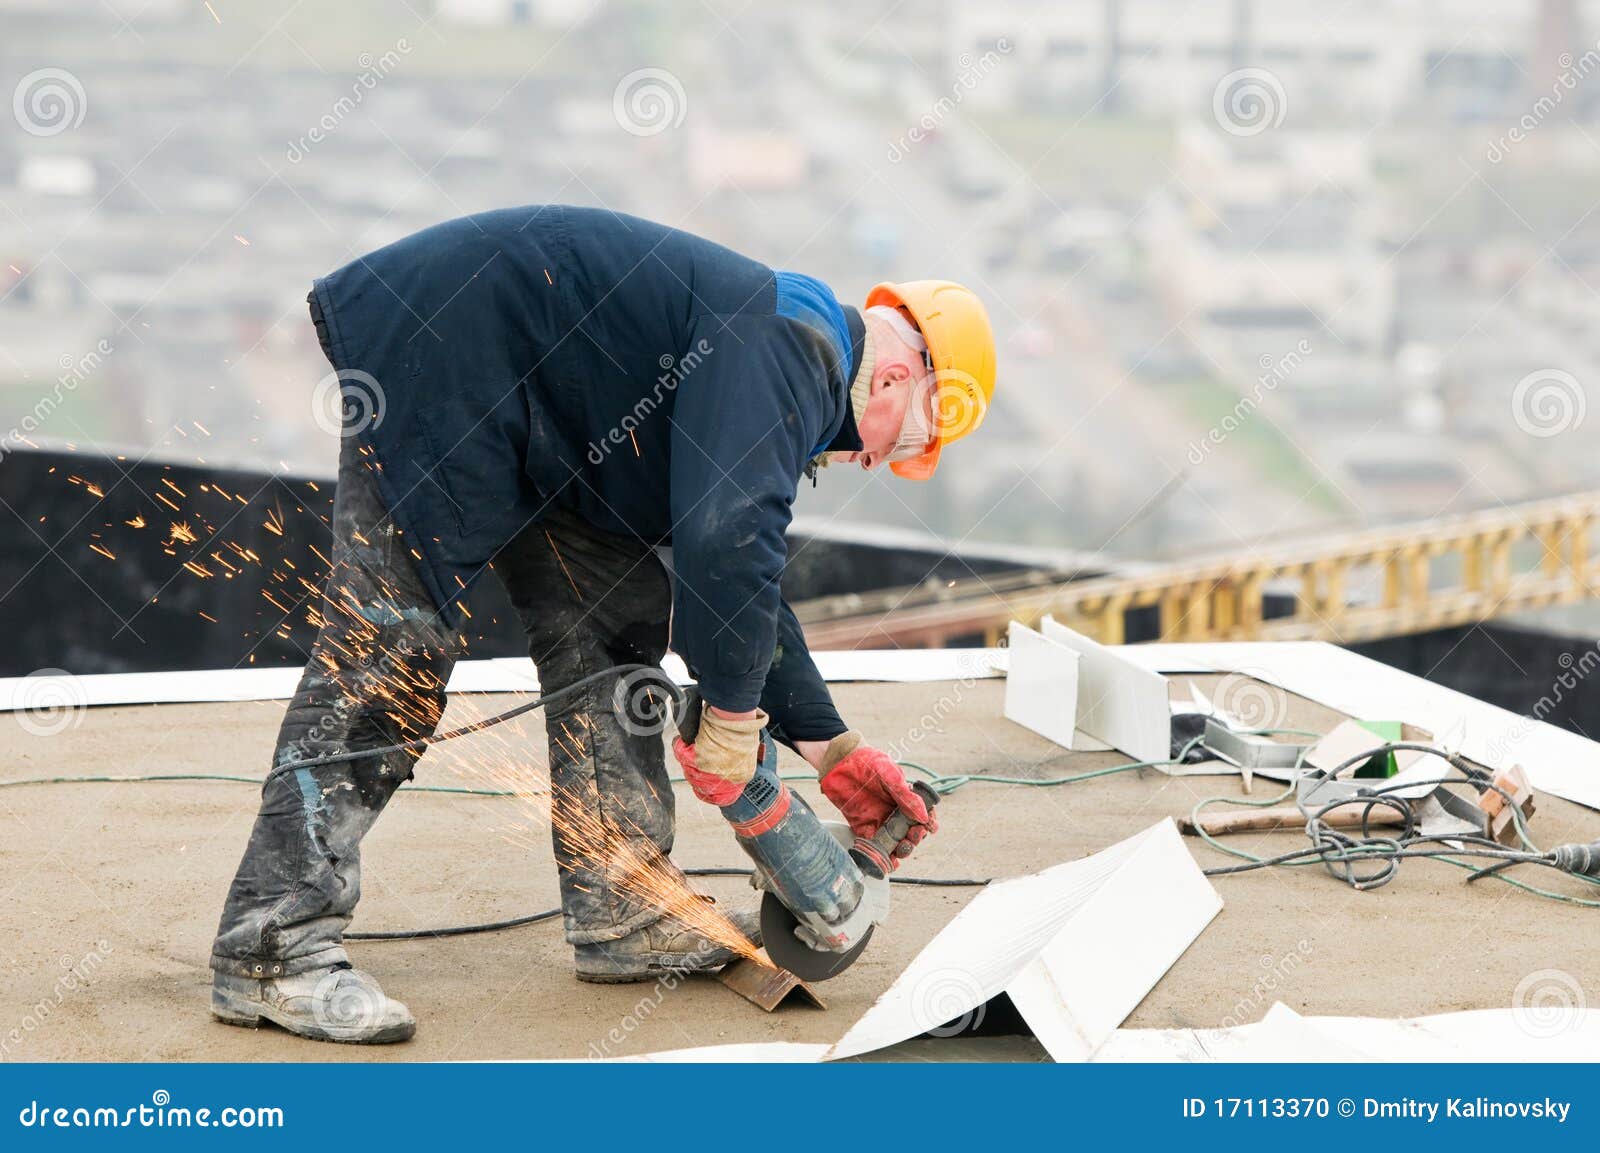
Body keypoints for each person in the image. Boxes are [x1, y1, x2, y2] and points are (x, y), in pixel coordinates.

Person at [208, 205, 997, 1043]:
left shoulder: (784, 343)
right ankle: (271, 942)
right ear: (897, 379)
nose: (873, 461)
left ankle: (623, 906)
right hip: (450, 355)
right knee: (392, 653)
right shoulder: (791, 352)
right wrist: (731, 726)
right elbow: (726, 540)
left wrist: (832, 747)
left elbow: (740, 568)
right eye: (900, 443)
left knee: (612, 626)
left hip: (557, 418)